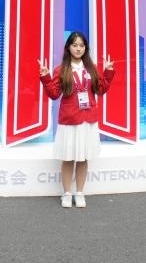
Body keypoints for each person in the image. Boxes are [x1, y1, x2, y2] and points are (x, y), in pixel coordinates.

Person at [39, 31, 114, 208]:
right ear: (68, 48)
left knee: (83, 158)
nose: (78, 49)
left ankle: (79, 192)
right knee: (68, 158)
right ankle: (66, 193)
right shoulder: (61, 70)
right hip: (69, 120)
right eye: (74, 45)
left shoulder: (91, 68)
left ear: (85, 48)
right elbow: (54, 94)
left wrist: (108, 72)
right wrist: (46, 77)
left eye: (81, 45)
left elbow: (101, 90)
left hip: (88, 120)